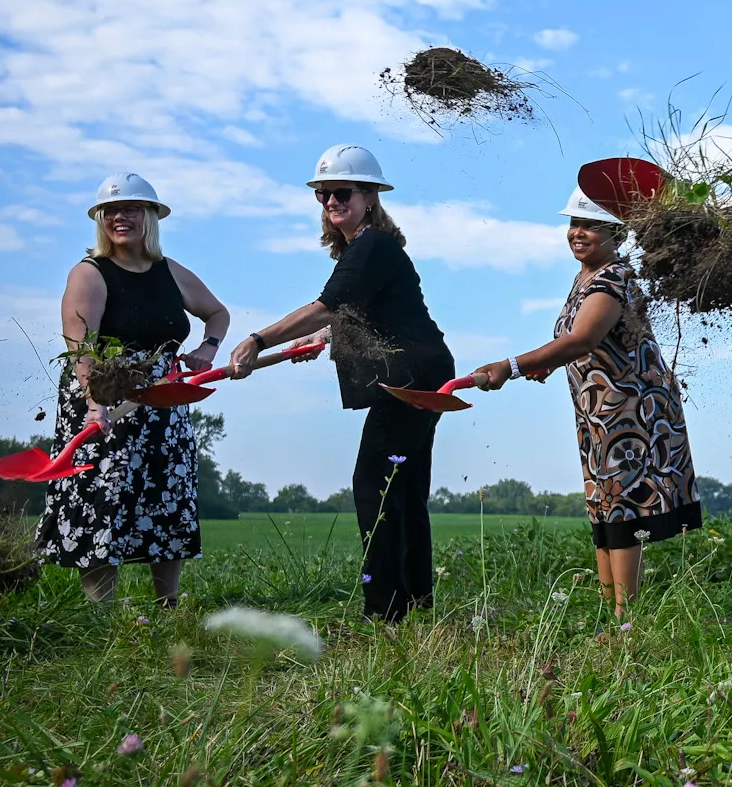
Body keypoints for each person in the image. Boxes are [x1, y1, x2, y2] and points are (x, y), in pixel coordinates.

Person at [228, 145, 455, 622]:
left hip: (409, 378)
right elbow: (359, 313)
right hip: (420, 371)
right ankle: (413, 602)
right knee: (404, 487)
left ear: (369, 196)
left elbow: (329, 304)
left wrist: (258, 339)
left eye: (341, 193)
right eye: (323, 195)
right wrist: (317, 337)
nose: (331, 202)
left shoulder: (371, 244)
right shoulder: (365, 249)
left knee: (376, 484)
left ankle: (385, 610)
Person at [469, 187, 702, 620]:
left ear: (616, 232)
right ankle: (610, 613)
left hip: (629, 409)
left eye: (591, 225)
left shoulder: (614, 278)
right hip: (597, 411)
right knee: (602, 504)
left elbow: (583, 339)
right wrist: (551, 364)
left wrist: (513, 365)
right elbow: (575, 347)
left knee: (623, 508)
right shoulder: (584, 278)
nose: (578, 233)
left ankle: (625, 622)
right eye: (574, 224)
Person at [39, 173, 230, 607]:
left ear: (151, 217)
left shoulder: (170, 272)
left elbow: (217, 312)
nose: (120, 217)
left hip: (164, 402)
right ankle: (100, 612)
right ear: (100, 219)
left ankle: (168, 605)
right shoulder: (89, 273)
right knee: (102, 499)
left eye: (131, 209)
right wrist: (95, 403)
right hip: (106, 400)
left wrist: (208, 347)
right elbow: (81, 347)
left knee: (167, 497)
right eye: (111, 210)